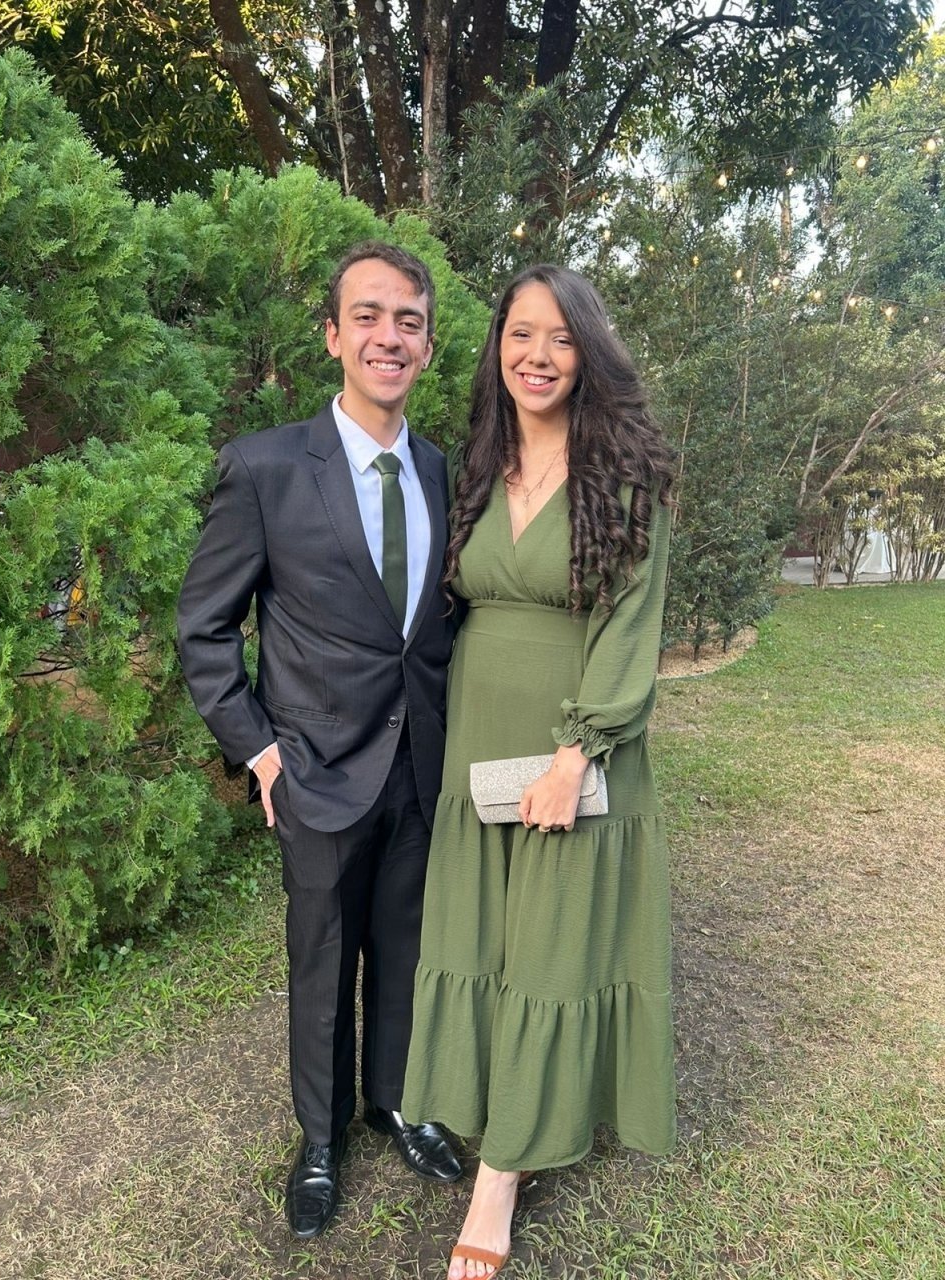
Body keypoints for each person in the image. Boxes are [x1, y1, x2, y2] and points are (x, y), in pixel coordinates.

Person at [177, 241, 463, 1242]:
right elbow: (204, 628)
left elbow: (437, 626)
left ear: (428, 345)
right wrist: (259, 751)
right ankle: (320, 1138)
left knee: (409, 950)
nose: (390, 336)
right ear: (334, 335)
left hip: (420, 766)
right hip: (315, 772)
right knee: (323, 962)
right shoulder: (264, 469)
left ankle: (398, 1102)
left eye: (409, 321)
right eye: (369, 316)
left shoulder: (442, 471)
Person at [402, 264, 676, 1279]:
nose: (538, 355)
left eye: (561, 337)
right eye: (521, 333)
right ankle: (486, 1097)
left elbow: (631, 629)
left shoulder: (629, 476)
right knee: (485, 937)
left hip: (574, 749)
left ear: (588, 352)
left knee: (553, 949)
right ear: (497, 348)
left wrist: (576, 751)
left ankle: (499, 1179)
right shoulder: (477, 465)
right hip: (478, 742)